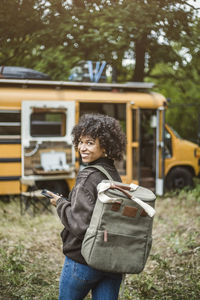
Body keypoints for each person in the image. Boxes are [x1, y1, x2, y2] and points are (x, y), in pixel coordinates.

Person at [48, 113, 126, 300]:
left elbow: (78, 224)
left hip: (83, 261)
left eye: (90, 143)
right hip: (111, 261)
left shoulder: (88, 176)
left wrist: (60, 203)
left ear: (105, 146)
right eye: (80, 142)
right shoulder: (112, 174)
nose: (82, 148)